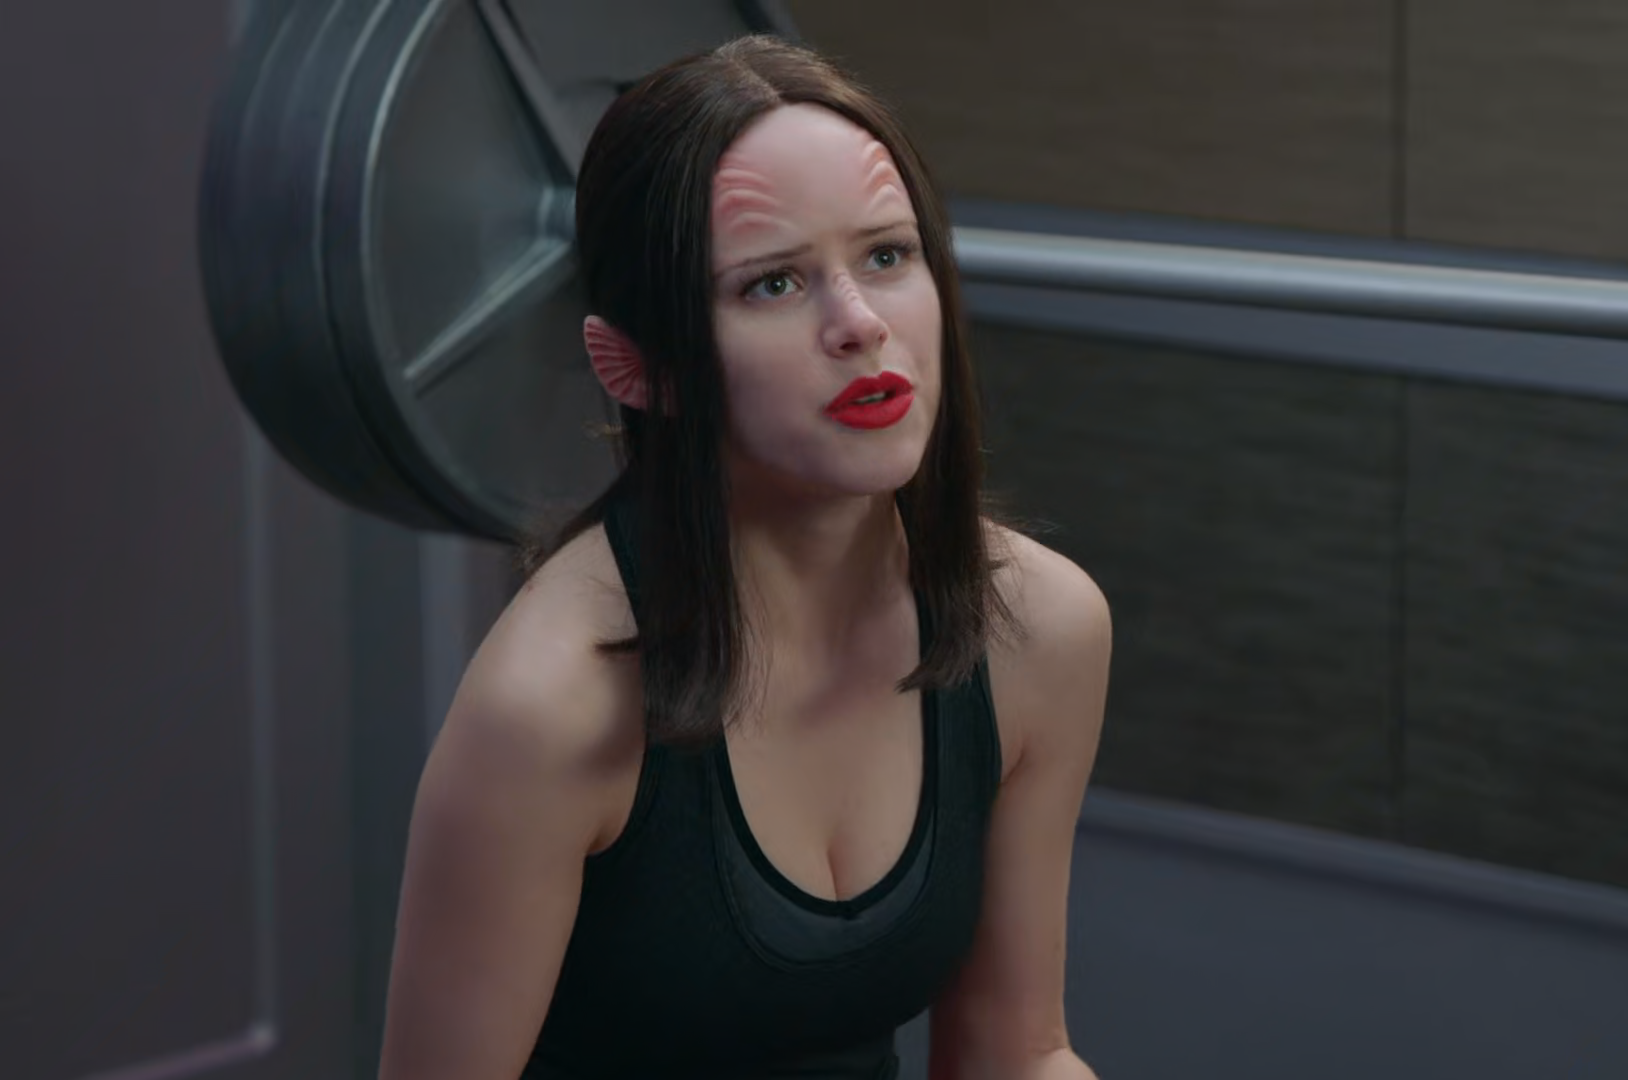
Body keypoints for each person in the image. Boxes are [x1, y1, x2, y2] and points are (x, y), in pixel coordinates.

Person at [376, 33, 1112, 1080]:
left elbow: (1016, 1051)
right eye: (772, 285)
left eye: (887, 256)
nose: (859, 325)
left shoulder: (1040, 627)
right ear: (636, 366)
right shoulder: (548, 710)